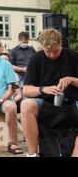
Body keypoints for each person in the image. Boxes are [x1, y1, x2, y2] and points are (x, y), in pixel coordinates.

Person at [21, 28, 78, 157]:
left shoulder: (74, 56)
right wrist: (42, 89)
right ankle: (32, 154)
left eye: (55, 51)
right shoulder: (36, 59)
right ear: (42, 47)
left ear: (61, 43)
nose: (52, 55)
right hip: (45, 103)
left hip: (72, 103)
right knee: (26, 105)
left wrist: (72, 80)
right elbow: (26, 90)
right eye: (48, 52)